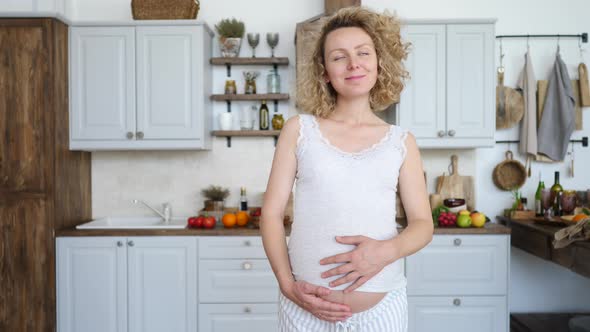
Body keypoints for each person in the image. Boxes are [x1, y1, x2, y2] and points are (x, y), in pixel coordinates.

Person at [260, 6, 433, 331]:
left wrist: (385, 252)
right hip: (302, 310)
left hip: (381, 312)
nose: (353, 64)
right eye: (339, 57)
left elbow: (423, 224)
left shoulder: (401, 141)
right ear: (324, 71)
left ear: (379, 63)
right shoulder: (299, 130)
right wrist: (286, 285)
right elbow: (270, 215)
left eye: (363, 53)